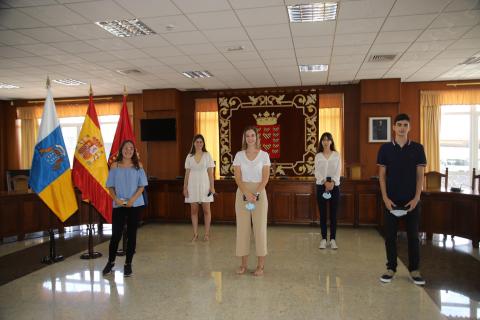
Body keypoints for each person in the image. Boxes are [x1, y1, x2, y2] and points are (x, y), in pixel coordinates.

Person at [377, 113, 426, 285]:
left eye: (405, 125)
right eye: (399, 124)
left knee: (413, 236)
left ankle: (414, 270)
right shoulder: (385, 149)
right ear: (394, 127)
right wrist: (385, 198)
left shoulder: (418, 149)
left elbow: (420, 176)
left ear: (409, 127)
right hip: (391, 201)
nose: (402, 128)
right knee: (390, 236)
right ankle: (391, 268)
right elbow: (382, 176)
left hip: (411, 202)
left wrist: (416, 198)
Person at [102, 140, 148, 277]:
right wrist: (116, 199)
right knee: (116, 234)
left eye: (131, 148)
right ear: (121, 150)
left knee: (132, 235)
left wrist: (133, 200)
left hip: (135, 204)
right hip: (119, 204)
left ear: (134, 151)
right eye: (126, 148)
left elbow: (142, 186)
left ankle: (128, 264)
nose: (128, 150)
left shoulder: (138, 165)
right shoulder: (114, 166)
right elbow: (110, 186)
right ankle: (110, 262)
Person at [233, 126, 270, 276]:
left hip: (259, 193)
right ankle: (243, 265)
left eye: (252, 135)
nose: (250, 138)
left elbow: (265, 178)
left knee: (259, 229)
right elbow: (237, 177)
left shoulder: (264, 155)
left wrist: (255, 193)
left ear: (257, 137)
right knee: (243, 229)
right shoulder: (239, 155)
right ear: (244, 138)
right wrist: (247, 193)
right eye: (247, 136)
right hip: (242, 193)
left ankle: (260, 266)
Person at [183, 134, 215, 241]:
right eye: (197, 142)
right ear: (194, 143)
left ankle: (206, 234)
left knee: (206, 210)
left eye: (201, 142)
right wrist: (185, 188)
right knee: (194, 211)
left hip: (205, 185)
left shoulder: (207, 155)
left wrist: (212, 187)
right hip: (192, 186)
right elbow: (187, 174)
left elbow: (211, 173)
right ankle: (195, 234)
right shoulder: (189, 156)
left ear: (203, 143)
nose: (199, 144)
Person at [314, 132, 341, 250]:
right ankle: (324, 239)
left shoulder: (336, 155)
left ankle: (333, 239)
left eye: (328, 140)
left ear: (331, 142)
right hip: (321, 186)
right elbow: (317, 172)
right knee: (323, 215)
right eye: (323, 140)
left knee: (333, 215)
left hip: (334, 187)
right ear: (321, 142)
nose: (326, 142)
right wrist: (325, 182)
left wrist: (332, 183)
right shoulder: (318, 156)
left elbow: (338, 170)